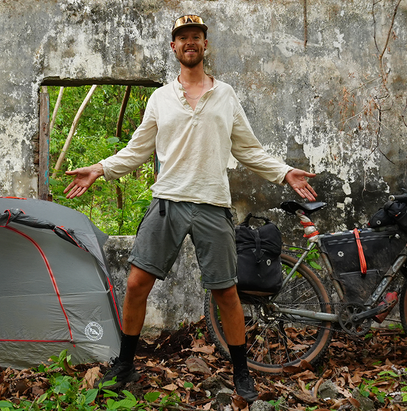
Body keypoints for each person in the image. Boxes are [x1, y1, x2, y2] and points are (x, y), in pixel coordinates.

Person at [63, 14, 319, 403]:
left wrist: (285, 173)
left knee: (226, 293)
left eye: (196, 37)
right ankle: (126, 365)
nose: (190, 43)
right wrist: (99, 169)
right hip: (167, 202)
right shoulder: (160, 98)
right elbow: (138, 149)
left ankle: (240, 373)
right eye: (182, 39)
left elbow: (247, 149)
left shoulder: (226, 95)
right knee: (135, 285)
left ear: (204, 45)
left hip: (212, 205)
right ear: (173, 47)